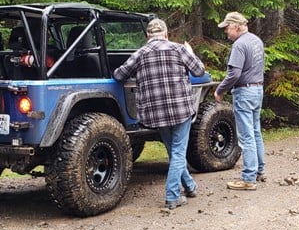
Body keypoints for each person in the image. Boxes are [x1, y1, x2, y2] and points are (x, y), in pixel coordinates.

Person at [113, 18, 205, 210]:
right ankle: (172, 196)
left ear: (148, 35)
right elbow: (199, 71)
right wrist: (190, 52)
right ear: (166, 33)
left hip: (155, 113)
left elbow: (119, 75)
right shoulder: (178, 49)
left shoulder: (139, 53)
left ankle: (189, 186)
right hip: (181, 109)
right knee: (179, 151)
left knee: (174, 150)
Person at [213, 11, 266, 190]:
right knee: (256, 132)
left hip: (244, 92)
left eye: (227, 27)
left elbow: (234, 73)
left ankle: (248, 178)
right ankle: (259, 170)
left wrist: (220, 90)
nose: (226, 32)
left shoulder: (239, 45)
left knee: (246, 136)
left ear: (236, 26)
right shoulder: (256, 41)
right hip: (258, 90)